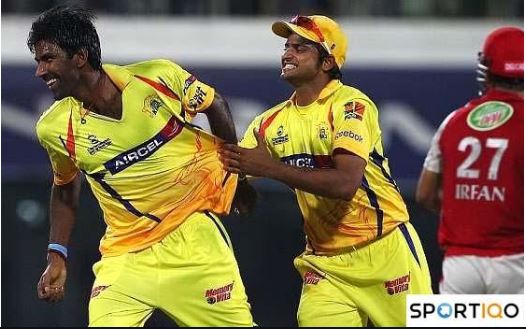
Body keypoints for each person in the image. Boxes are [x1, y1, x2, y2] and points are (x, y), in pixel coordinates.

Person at [28, 6, 256, 326]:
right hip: (125, 257)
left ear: (79, 56)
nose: (40, 71)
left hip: (195, 242)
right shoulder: (54, 128)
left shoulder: (157, 76)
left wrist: (237, 177)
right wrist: (56, 255)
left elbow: (214, 104)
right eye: (38, 61)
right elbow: (65, 186)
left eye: (48, 59)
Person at [220, 15, 432, 327]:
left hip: (385, 251)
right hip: (325, 265)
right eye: (287, 46)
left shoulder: (351, 105)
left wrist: (270, 168)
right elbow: (231, 169)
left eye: (301, 47)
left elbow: (345, 183)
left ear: (327, 62)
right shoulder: (269, 122)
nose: (287, 53)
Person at [416, 27, 524, 294]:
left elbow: (425, 194)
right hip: (516, 261)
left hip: (460, 264)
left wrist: (471, 211)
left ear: (486, 69)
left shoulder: (454, 121)